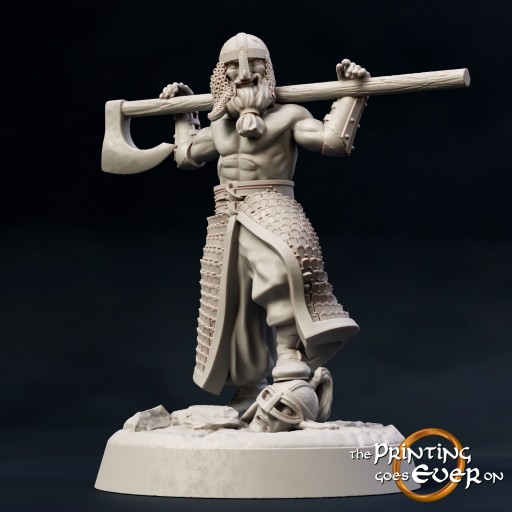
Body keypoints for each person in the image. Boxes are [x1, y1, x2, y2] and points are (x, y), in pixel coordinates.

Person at [160, 33, 369, 413]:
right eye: (233, 67)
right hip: (226, 217)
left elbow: (333, 142)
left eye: (254, 63)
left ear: (268, 69)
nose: (244, 74)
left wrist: (350, 93)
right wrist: (183, 113)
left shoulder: (289, 116)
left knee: (281, 277)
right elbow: (187, 155)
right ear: (221, 75)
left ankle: (290, 363)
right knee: (234, 306)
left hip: (272, 208)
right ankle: (248, 388)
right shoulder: (219, 124)